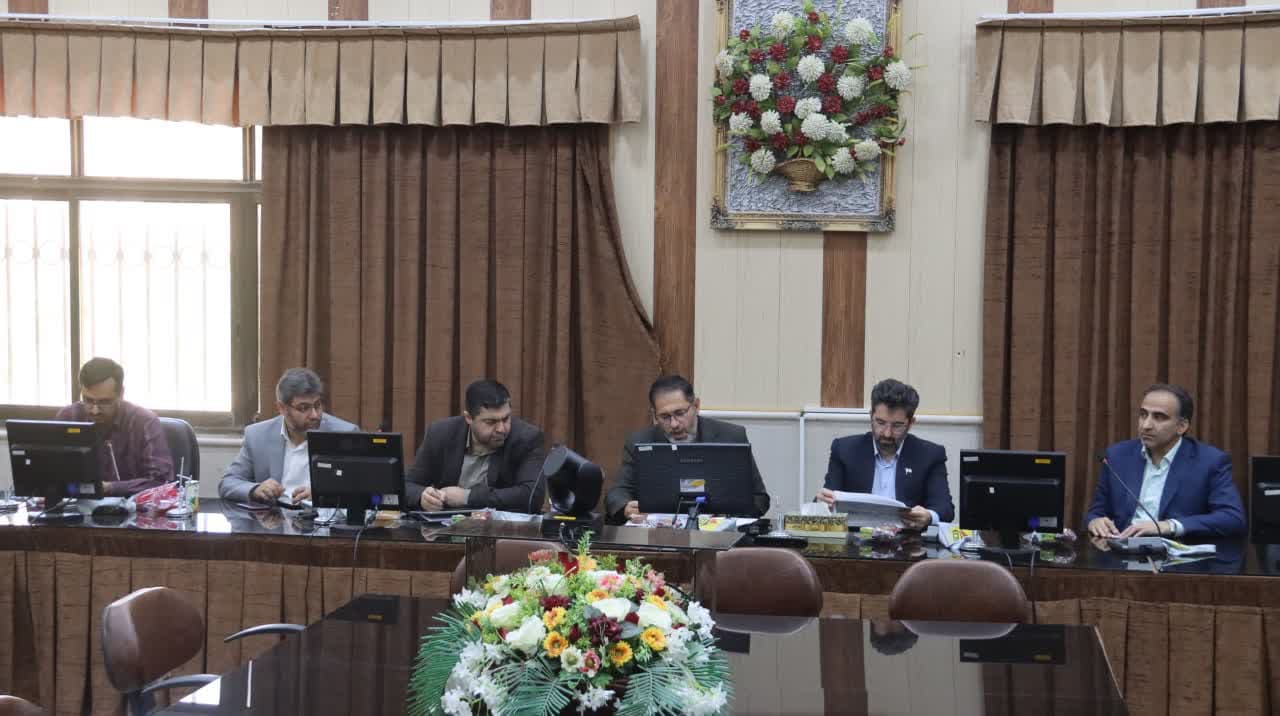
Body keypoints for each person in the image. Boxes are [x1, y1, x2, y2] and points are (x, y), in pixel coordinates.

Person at [1085, 383, 1245, 539]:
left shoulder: (1209, 461)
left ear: (1182, 426)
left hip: (1175, 552)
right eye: (1143, 414)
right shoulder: (1117, 456)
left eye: (1159, 417)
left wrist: (1168, 526)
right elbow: (1097, 511)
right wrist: (1095, 521)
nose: (1146, 425)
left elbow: (1232, 518)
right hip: (1121, 549)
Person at [604, 375, 770, 523]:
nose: (674, 424)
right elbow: (617, 493)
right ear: (654, 416)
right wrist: (626, 507)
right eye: (665, 417)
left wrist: (729, 516)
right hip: (661, 535)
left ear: (696, 405)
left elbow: (759, 498)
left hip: (719, 535)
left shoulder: (731, 436)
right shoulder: (640, 442)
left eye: (680, 413)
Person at [816, 378, 954, 529]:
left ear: (910, 423)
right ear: (871, 416)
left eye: (897, 426)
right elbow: (826, 501)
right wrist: (821, 503)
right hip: (855, 539)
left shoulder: (929, 455)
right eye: (880, 423)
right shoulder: (844, 450)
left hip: (908, 540)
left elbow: (945, 509)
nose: (887, 433)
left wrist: (928, 516)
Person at [218, 368, 358, 505]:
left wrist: (323, 494)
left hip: (321, 518)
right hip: (274, 517)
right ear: (282, 408)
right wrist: (255, 489)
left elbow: (360, 488)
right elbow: (228, 483)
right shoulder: (257, 435)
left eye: (317, 405)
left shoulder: (345, 434)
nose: (315, 415)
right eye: (303, 408)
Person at [404, 379, 546, 513]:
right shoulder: (441, 434)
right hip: (444, 525)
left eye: (506, 419)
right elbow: (407, 485)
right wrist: (422, 497)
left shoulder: (527, 438)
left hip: (500, 527)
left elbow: (531, 496)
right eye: (491, 422)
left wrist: (467, 497)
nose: (502, 429)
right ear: (469, 418)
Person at [55, 357, 174, 497]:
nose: (95, 410)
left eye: (104, 402)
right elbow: (52, 472)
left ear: (121, 394)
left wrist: (110, 488)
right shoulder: (69, 417)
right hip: (76, 504)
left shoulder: (144, 422)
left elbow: (160, 481)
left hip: (132, 507)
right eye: (88, 400)